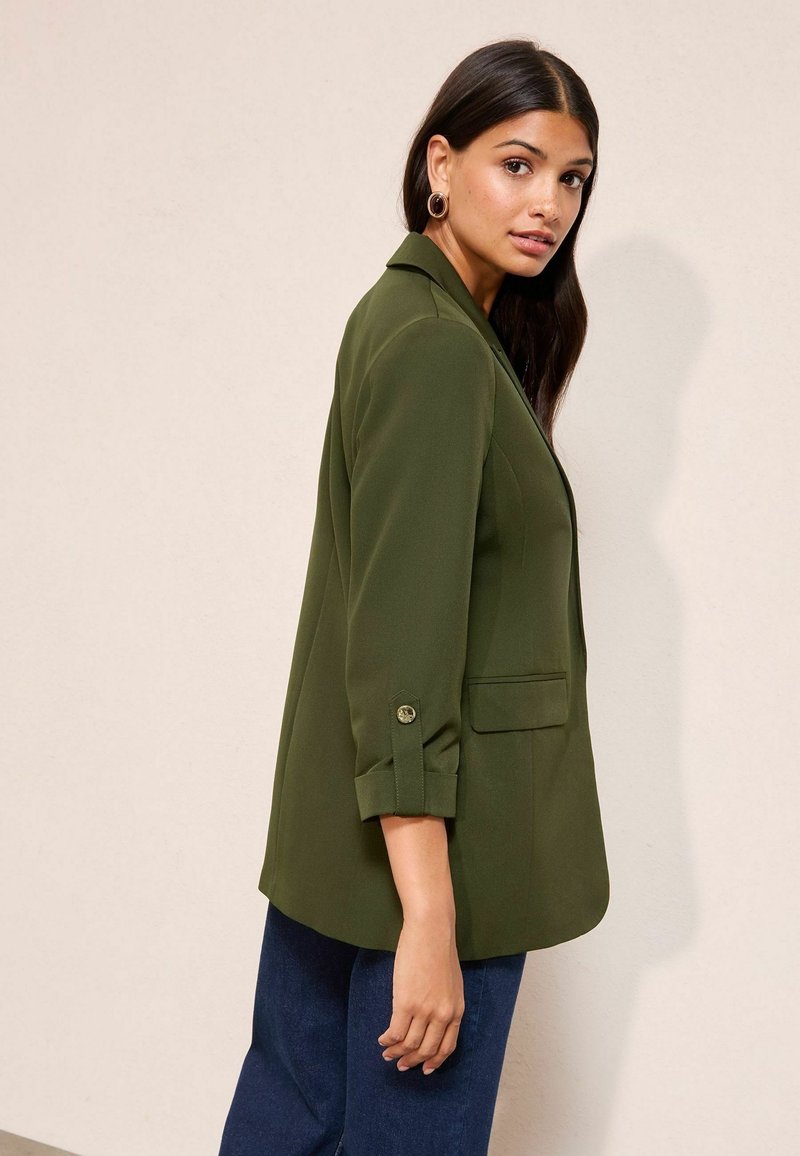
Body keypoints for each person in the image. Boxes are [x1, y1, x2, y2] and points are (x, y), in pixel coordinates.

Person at [218, 36, 610, 1156]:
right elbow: (402, 648)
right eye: (516, 164)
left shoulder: (404, 317)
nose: (547, 204)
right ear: (440, 165)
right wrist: (430, 918)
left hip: (337, 843)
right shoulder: (438, 348)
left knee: (289, 1122)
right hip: (440, 854)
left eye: (571, 178)